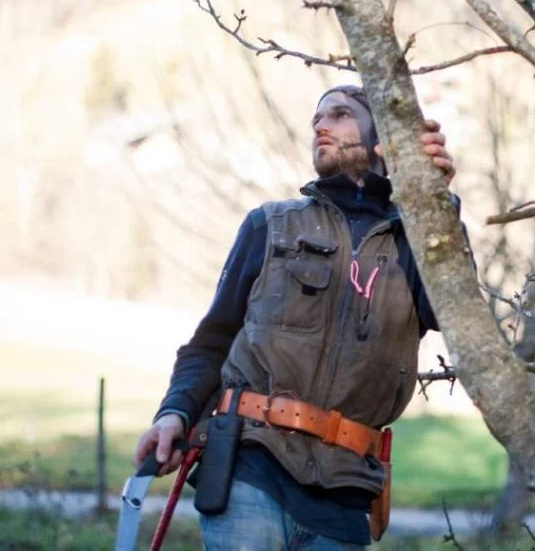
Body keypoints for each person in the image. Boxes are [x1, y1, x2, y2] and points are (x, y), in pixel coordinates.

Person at [133, 84, 459, 550]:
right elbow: (213, 340)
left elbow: (449, 313)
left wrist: (438, 207)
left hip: (347, 493)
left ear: (382, 137)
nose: (320, 126)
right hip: (251, 468)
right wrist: (174, 413)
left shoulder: (416, 242)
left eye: (340, 114)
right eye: (316, 119)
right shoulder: (269, 224)